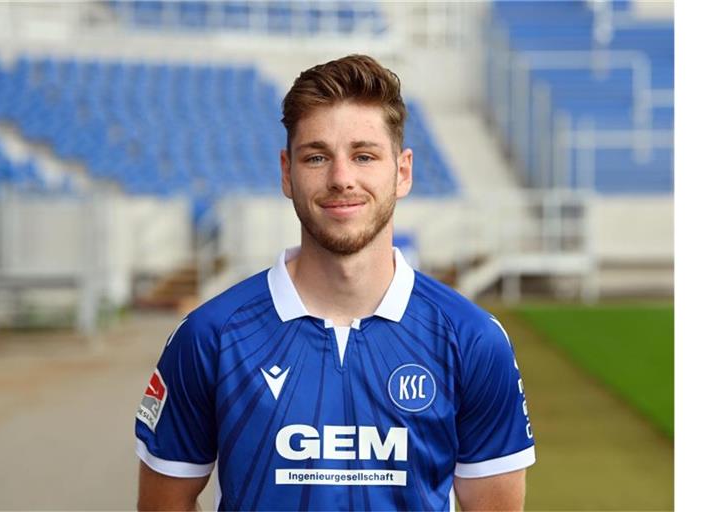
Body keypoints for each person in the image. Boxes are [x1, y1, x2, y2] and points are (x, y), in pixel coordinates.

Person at [135, 54, 535, 511]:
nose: (341, 178)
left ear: (402, 171)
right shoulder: (210, 336)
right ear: (287, 172)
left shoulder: (473, 340)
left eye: (364, 156)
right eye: (317, 157)